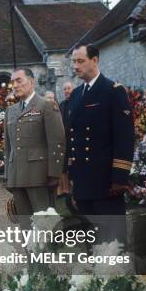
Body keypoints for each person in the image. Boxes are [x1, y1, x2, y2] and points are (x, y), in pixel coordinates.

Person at [61, 44, 134, 217]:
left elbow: (124, 137)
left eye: (80, 61)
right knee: (89, 238)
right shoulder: (76, 94)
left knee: (111, 239)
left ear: (94, 60)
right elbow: (71, 137)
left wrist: (119, 178)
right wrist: (68, 172)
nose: (76, 66)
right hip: (82, 180)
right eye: (74, 62)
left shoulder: (113, 91)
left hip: (105, 180)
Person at [4, 68, 65, 222]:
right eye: (12, 82)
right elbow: (8, 147)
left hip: (39, 176)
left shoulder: (46, 105)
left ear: (31, 82)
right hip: (17, 176)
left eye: (19, 80)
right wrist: (8, 175)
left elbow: (56, 142)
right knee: (25, 226)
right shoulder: (11, 111)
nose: (15, 85)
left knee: (44, 224)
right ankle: (29, 248)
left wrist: (54, 173)